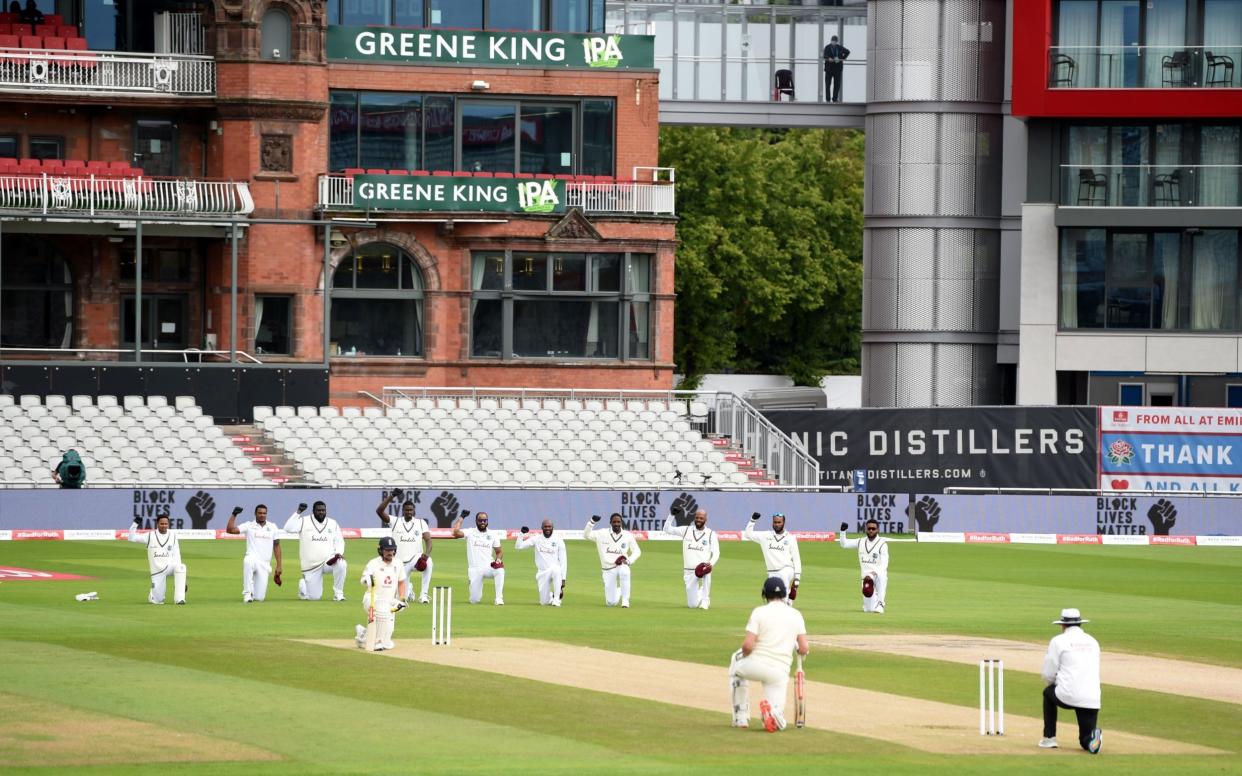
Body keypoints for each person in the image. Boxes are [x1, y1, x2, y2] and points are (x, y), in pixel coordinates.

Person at [729, 576, 809, 732]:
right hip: (779, 674)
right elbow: (804, 648)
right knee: (778, 718)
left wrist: (744, 655)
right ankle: (772, 713)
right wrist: (798, 649)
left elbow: (747, 645)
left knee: (735, 663)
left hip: (756, 665)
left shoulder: (759, 612)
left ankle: (741, 718)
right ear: (785, 594)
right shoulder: (796, 615)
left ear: (764, 594)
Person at [1040, 608, 1103, 754]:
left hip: (1067, 694)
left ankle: (1049, 738)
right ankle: (1093, 740)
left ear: (1062, 625)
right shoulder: (1093, 641)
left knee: (1048, 693)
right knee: (1085, 740)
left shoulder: (1058, 641)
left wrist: (1053, 683)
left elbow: (1048, 672)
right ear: (1079, 624)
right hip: (1092, 697)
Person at [282, 501, 348, 601]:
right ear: (313, 511)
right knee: (314, 597)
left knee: (341, 563)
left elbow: (339, 541)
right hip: (311, 566)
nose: (321, 512)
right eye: (318, 510)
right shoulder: (304, 521)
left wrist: (338, 553)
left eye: (323, 510)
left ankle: (338, 593)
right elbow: (287, 528)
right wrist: (298, 512)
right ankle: (303, 585)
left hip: (327, 561)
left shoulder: (332, 523)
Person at [376, 488, 433, 603]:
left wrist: (426, 555)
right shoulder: (395, 521)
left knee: (429, 562)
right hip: (400, 563)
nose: (409, 512)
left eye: (411, 510)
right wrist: (391, 496)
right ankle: (409, 590)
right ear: (403, 510)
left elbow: (428, 540)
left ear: (414, 511)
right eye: (406, 510)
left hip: (415, 559)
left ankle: (424, 594)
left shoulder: (421, 523)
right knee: (401, 598)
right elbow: (379, 511)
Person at [353, 536, 409, 651]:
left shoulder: (398, 563)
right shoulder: (373, 563)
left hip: (389, 601)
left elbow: (401, 582)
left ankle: (363, 635)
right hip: (372, 599)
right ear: (381, 550)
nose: (390, 552)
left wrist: (402, 599)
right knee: (382, 608)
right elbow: (364, 579)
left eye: (392, 550)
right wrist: (367, 580)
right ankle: (377, 641)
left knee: (387, 643)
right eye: (387, 550)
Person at [662, 504, 720, 610]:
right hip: (689, 571)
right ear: (694, 518)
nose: (698, 520)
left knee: (707, 572)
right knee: (692, 605)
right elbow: (666, 529)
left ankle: (705, 600)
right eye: (697, 517)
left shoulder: (711, 534)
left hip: (703, 567)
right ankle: (701, 591)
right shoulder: (686, 530)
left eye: (701, 518)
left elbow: (716, 552)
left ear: (705, 519)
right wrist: (672, 515)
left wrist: (710, 563)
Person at [226, 504, 283, 603]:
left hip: (265, 563)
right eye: (260, 513)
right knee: (248, 561)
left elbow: (277, 545)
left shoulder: (272, 526)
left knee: (259, 598)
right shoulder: (249, 525)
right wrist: (234, 514)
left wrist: (279, 565)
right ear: (255, 514)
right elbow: (230, 530)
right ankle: (247, 594)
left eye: (264, 513)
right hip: (252, 557)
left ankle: (253, 592)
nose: (262, 515)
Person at [125, 513, 186, 605]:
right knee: (157, 601)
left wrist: (182, 581)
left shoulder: (173, 536)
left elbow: (177, 555)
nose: (164, 526)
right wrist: (135, 524)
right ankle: (153, 595)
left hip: (170, 566)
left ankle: (179, 599)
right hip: (157, 570)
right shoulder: (149, 536)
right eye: (162, 524)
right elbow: (131, 538)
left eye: (166, 524)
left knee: (181, 567)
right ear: (157, 524)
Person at [583, 513, 642, 608]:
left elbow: (637, 551)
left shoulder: (628, 535)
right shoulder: (602, 533)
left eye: (618, 522)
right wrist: (591, 522)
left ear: (621, 523)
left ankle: (625, 601)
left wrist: (629, 561)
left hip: (621, 565)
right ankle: (619, 590)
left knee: (625, 571)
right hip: (607, 569)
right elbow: (586, 535)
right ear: (610, 522)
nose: (616, 524)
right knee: (611, 603)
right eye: (614, 522)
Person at [743, 512, 802, 603]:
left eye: (779, 522)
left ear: (784, 523)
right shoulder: (765, 536)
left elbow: (796, 559)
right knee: (772, 597)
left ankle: (786, 602)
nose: (777, 524)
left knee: (783, 585)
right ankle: (789, 600)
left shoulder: (790, 538)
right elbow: (747, 534)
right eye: (775, 522)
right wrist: (752, 520)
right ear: (772, 523)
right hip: (772, 572)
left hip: (786, 569)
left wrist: (797, 579)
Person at [451, 509, 505, 605]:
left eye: (485, 520)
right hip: (475, 568)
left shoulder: (493, 534)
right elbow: (455, 533)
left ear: (487, 521)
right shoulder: (470, 532)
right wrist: (461, 518)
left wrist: (498, 560)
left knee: (500, 570)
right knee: (474, 600)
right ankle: (472, 584)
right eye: (480, 520)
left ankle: (499, 598)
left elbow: (499, 551)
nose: (483, 522)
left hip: (488, 566)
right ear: (476, 521)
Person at [838, 518, 888, 613]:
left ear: (878, 530)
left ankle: (881, 603)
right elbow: (844, 544)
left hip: (877, 575)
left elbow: (884, 564)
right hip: (865, 577)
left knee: (882, 576)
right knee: (868, 609)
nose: (871, 530)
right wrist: (842, 531)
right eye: (869, 528)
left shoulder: (882, 544)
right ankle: (873, 602)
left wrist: (873, 574)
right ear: (865, 529)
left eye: (873, 528)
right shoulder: (860, 542)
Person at [514, 519, 567, 607]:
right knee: (544, 602)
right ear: (542, 527)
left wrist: (563, 579)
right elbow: (518, 546)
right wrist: (521, 534)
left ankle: (557, 599)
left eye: (549, 526)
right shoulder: (536, 538)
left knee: (557, 569)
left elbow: (563, 560)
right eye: (545, 526)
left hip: (554, 569)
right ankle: (551, 597)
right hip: (542, 572)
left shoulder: (558, 540)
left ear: (552, 527)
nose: (547, 528)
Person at [823, 35, 850, 102]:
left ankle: (835, 98)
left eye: (835, 41)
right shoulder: (827, 47)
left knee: (837, 84)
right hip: (829, 68)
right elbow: (824, 55)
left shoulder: (839, 47)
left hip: (838, 69)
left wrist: (842, 59)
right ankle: (828, 99)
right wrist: (828, 58)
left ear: (836, 42)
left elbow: (848, 51)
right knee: (827, 84)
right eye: (832, 41)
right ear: (831, 41)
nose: (833, 42)